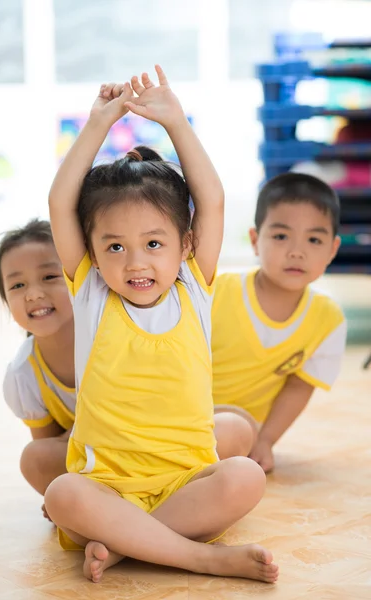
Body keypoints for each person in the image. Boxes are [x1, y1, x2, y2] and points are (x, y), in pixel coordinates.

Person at [44, 66, 279, 584]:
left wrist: (176, 123)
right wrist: (96, 126)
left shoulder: (194, 286)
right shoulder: (91, 290)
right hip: (104, 484)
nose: (135, 264)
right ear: (93, 253)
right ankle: (200, 557)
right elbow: (61, 201)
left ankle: (127, 544)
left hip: (186, 481)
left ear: (186, 244)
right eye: (114, 247)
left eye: (154, 243)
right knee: (63, 493)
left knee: (243, 476)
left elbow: (210, 198)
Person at [212, 172, 347, 473]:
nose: (297, 251)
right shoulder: (217, 293)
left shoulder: (328, 320)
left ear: (332, 250)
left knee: (235, 439)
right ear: (255, 240)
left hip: (235, 429)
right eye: (281, 236)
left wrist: (266, 440)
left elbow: (299, 387)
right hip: (176, 412)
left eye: (314, 239)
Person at [0, 219, 75, 515]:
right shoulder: (23, 374)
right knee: (35, 459)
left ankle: (110, 518)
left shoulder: (112, 338)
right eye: (17, 285)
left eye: (50, 276)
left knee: (228, 423)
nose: (33, 294)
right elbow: (51, 449)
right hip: (100, 464)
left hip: (150, 446)